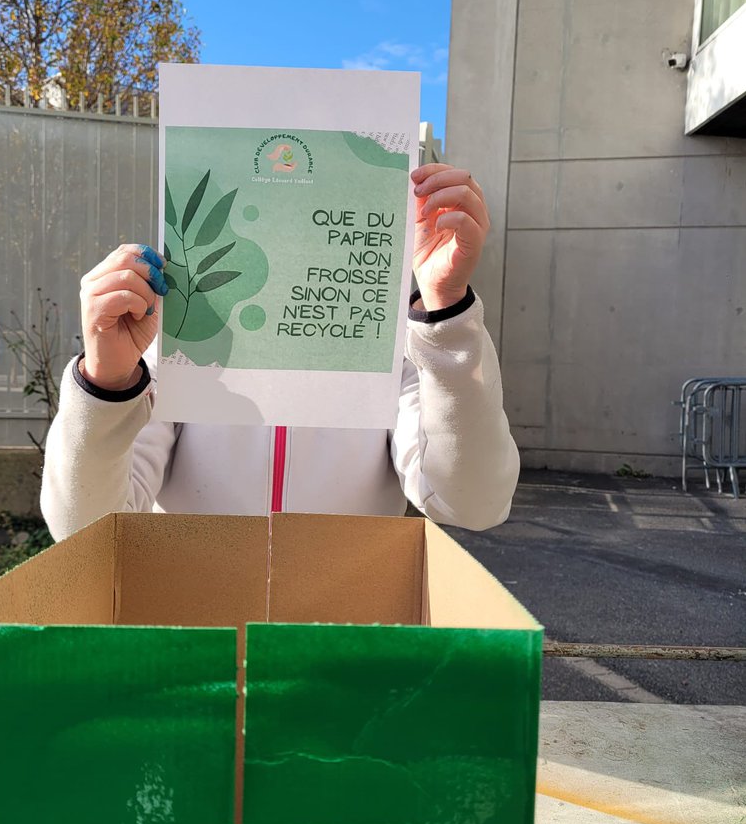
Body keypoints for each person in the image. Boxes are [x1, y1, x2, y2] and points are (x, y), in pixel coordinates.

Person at [41, 162, 519, 541]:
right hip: (195, 641)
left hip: (339, 646)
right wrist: (105, 382)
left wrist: (446, 312)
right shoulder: (181, 353)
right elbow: (85, 529)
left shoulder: (389, 359)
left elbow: (473, 503)